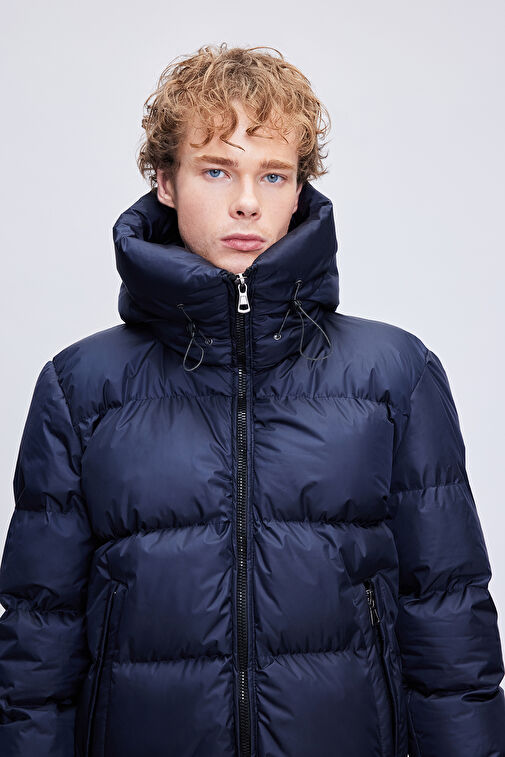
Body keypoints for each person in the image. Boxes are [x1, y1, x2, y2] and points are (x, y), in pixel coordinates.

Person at [0, 42, 503, 757]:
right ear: (165, 181)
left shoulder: (396, 374)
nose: (246, 201)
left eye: (272, 174)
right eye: (216, 169)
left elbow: (449, 622)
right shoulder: (79, 387)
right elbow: (36, 642)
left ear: (298, 190)